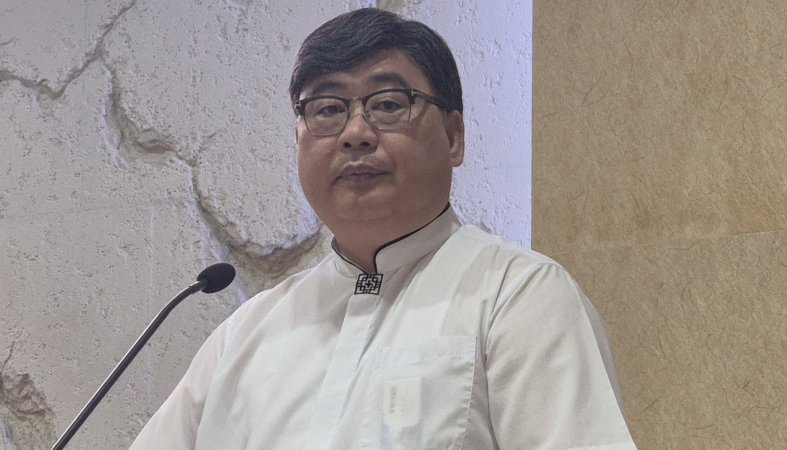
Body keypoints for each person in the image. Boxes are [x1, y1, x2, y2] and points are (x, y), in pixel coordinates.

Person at [130, 8, 636, 450]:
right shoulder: (244, 335)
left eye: (389, 104)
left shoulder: (517, 296)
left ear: (454, 137)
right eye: (328, 110)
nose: (355, 133)